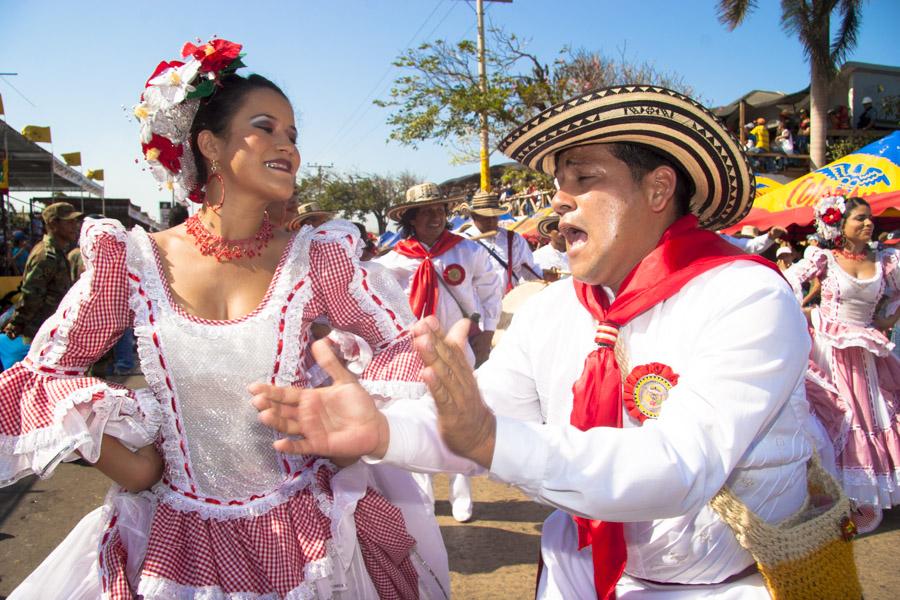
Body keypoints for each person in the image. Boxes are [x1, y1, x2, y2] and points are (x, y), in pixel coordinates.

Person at [254, 86, 858, 598]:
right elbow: (479, 419)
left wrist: (490, 439)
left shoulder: (746, 296)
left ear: (657, 189)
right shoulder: (555, 311)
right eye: (556, 184)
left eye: (583, 179)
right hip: (580, 577)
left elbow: (681, 469)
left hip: (735, 586)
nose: (557, 203)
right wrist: (383, 430)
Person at [0, 39, 448, 599]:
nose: (289, 146)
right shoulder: (133, 262)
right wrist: (134, 466)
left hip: (308, 535)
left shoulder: (318, 257)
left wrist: (346, 433)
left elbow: (404, 344)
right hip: (175, 543)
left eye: (293, 135)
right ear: (210, 144)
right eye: (267, 127)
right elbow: (43, 376)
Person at [376, 182, 501, 522]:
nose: (435, 217)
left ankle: (463, 500)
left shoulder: (467, 251)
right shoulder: (393, 261)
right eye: (426, 211)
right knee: (418, 423)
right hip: (414, 355)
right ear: (411, 218)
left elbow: (490, 290)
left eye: (440, 211)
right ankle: (423, 502)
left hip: (457, 350)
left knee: (460, 420)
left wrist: (485, 331)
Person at [786, 195, 900, 533]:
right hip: (829, 351)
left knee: (872, 417)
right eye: (859, 219)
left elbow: (895, 296)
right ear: (840, 226)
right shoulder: (825, 259)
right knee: (836, 416)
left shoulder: (886, 261)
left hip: (865, 352)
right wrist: (802, 315)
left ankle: (865, 497)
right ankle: (835, 500)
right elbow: (789, 281)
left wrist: (887, 320)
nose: (868, 224)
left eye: (869, 219)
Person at [3, 202, 81, 343]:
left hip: (52, 329)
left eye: (75, 222)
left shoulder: (58, 253)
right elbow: (31, 295)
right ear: (53, 225)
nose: (75, 226)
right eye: (69, 222)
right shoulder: (46, 256)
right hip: (40, 332)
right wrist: (17, 323)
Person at [460, 189, 545, 292]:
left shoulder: (514, 239)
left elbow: (529, 270)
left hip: (510, 301)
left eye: (494, 216)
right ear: (474, 217)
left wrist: (543, 278)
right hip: (479, 305)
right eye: (486, 217)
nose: (491, 221)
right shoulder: (462, 243)